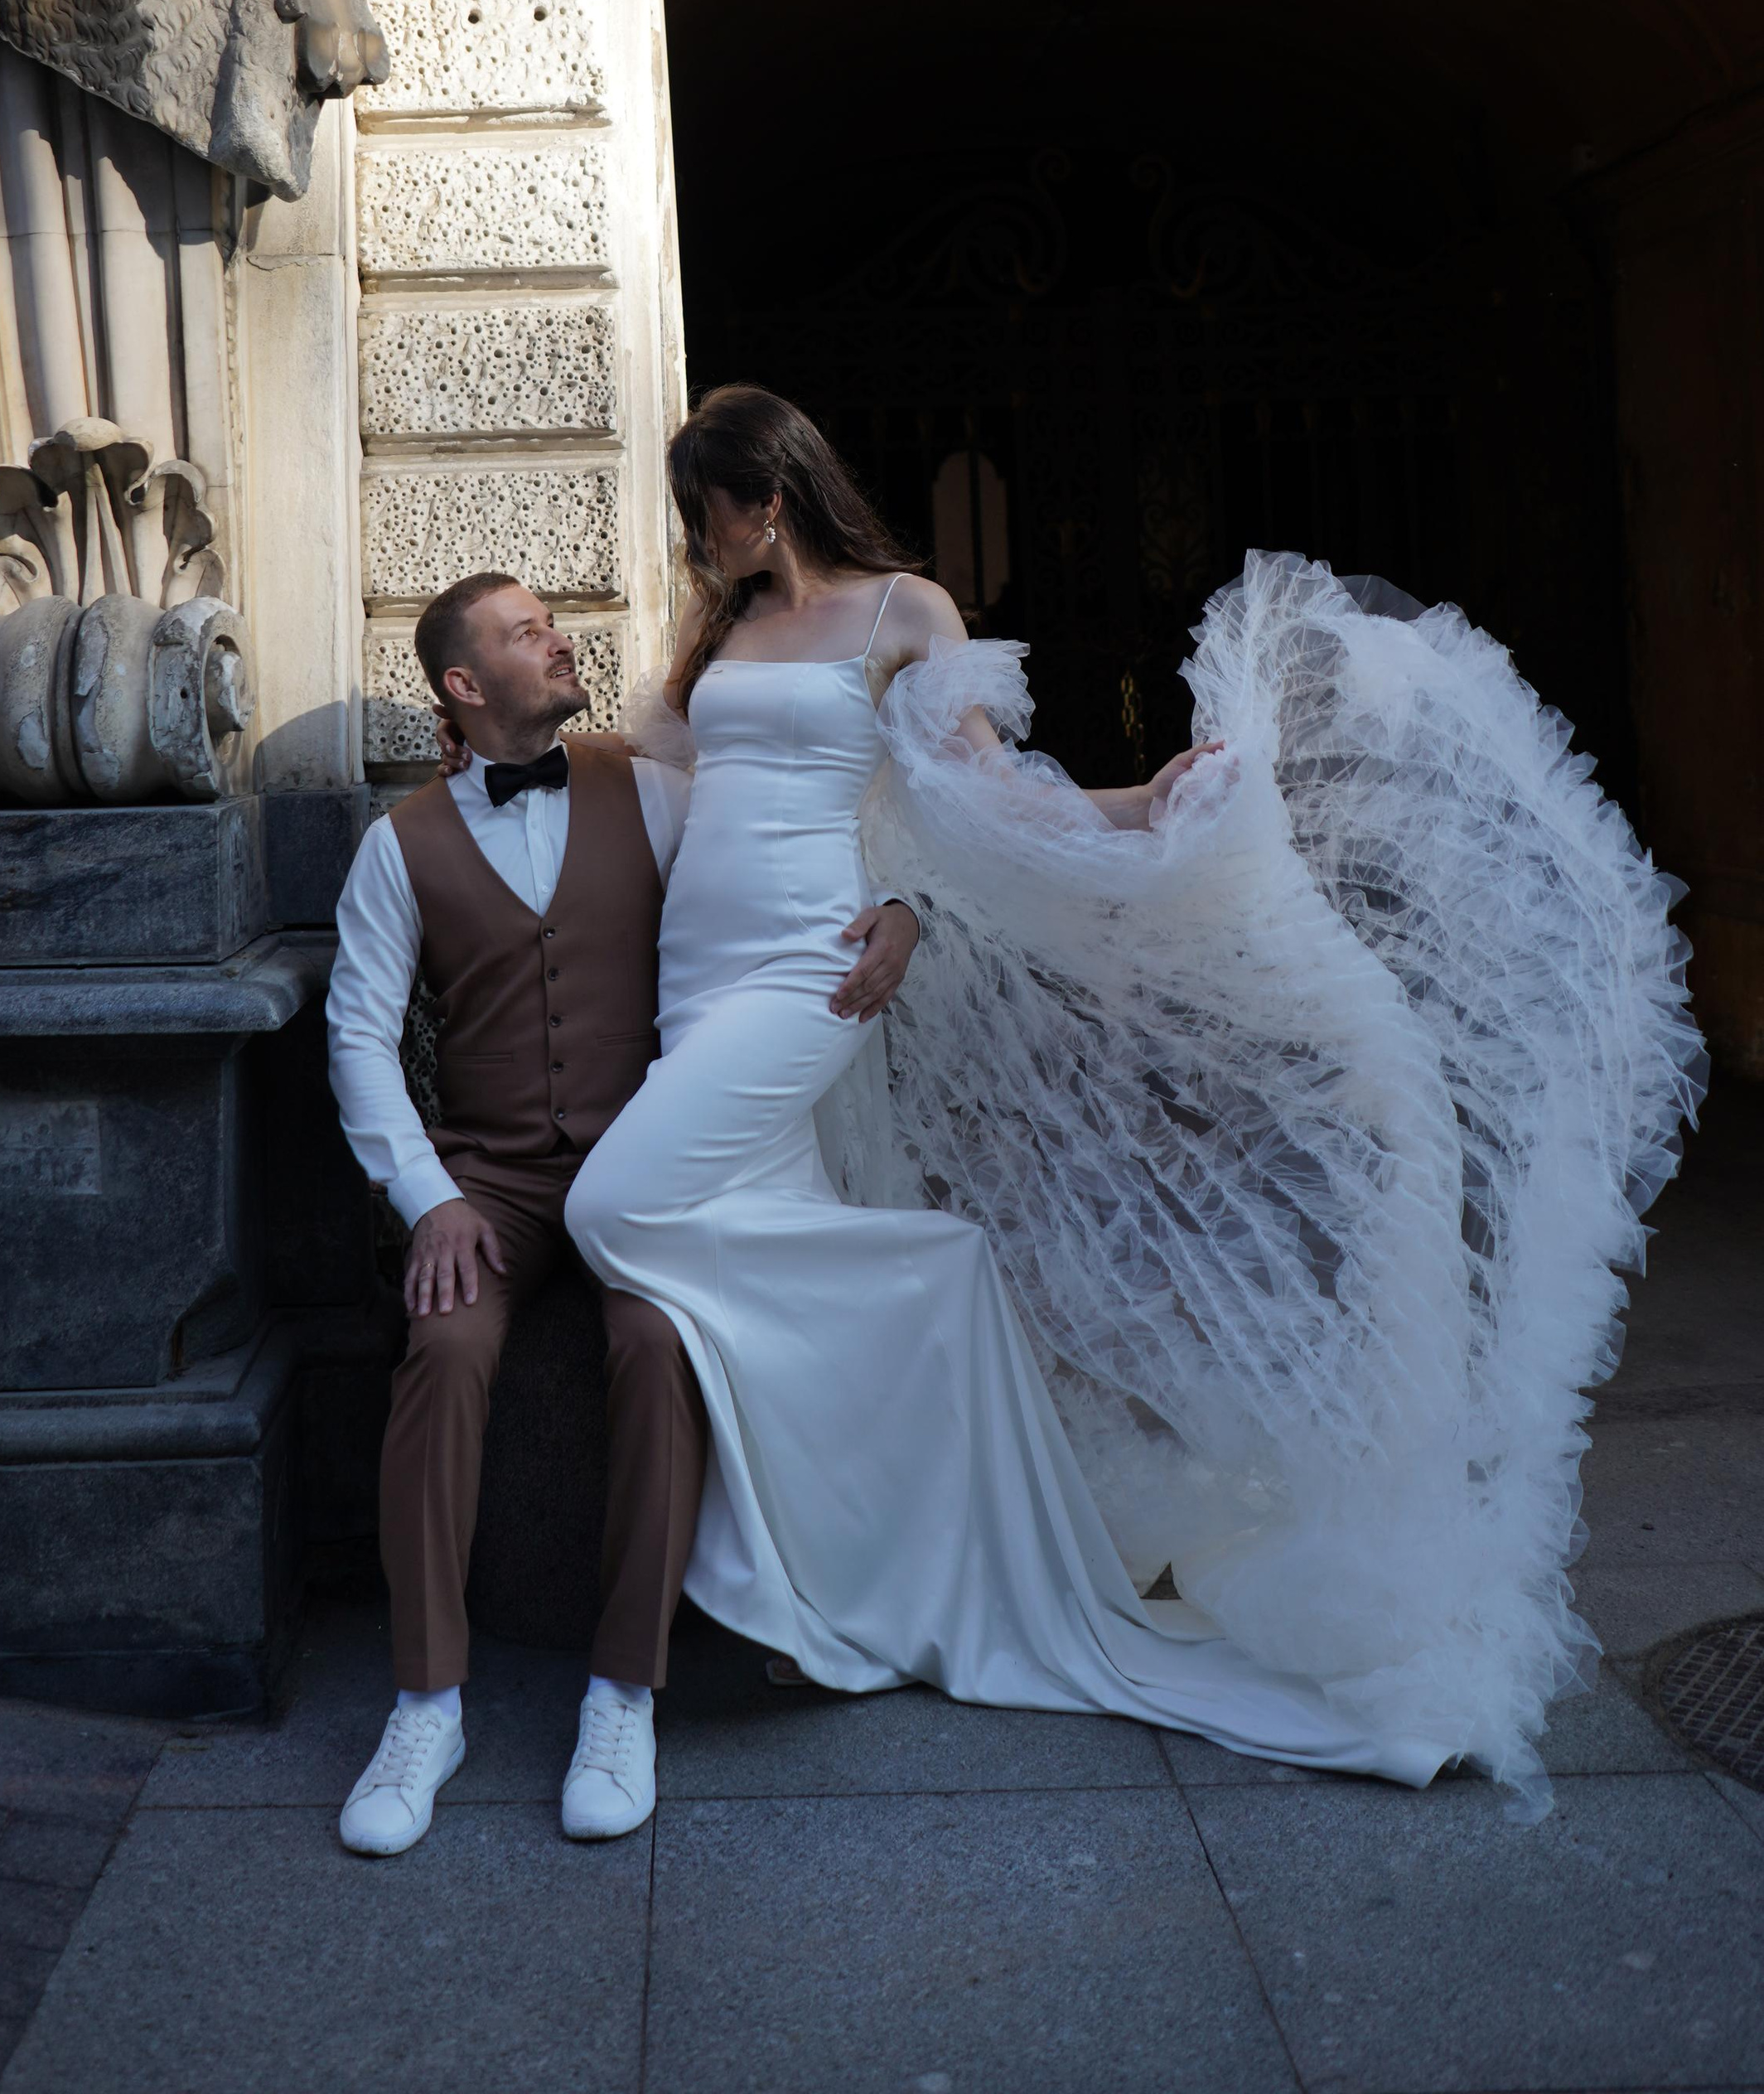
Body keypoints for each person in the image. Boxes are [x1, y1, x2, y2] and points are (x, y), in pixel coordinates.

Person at [564, 384, 1700, 1809]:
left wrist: (1136, 802)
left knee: (614, 1205)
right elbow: (660, 767)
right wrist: (502, 757)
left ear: (765, 500)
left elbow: (978, 797)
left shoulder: (904, 612)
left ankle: (939, 1276)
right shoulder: (719, 634)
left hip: (818, 969)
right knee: (738, 1249)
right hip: (699, 970)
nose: (695, 542)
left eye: (703, 513)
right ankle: (835, 1598)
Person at [322, 566, 925, 1855]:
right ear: (464, 686)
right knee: (442, 1351)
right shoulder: (398, 846)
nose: (559, 638)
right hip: (487, 1182)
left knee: (660, 1348)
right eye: (526, 633)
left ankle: (622, 1691)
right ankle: (427, 1702)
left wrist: (904, 908)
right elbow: (359, 1039)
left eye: (553, 622)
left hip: (645, 1163)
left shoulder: (656, 796)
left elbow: (802, 846)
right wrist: (428, 1201)